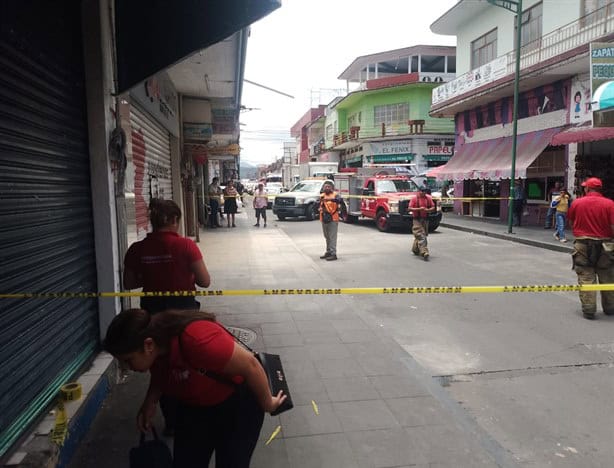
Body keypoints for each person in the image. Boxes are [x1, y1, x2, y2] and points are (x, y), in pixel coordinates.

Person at [103, 309, 286, 468]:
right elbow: (160, 374)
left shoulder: (197, 341)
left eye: (128, 360)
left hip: (237, 407)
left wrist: (269, 404)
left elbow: (251, 366)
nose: (127, 367)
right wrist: (150, 401)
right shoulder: (158, 349)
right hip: (196, 408)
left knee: (232, 463)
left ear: (148, 345)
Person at [123, 198, 211, 433]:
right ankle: (192, 414)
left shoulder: (137, 249)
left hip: (152, 314)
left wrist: (151, 276)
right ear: (174, 220)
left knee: (161, 365)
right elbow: (205, 281)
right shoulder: (186, 246)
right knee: (188, 361)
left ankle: (171, 420)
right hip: (184, 314)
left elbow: (128, 283)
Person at [567, 177, 614, 320]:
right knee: (607, 276)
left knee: (586, 276)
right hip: (606, 244)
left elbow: (571, 221)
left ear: (587, 188)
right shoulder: (610, 204)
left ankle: (589, 309)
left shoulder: (577, 203)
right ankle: (610, 307)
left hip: (582, 243)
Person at [319, 180, 344, 261]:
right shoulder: (322, 196)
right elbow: (318, 204)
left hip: (333, 218)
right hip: (324, 218)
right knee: (327, 236)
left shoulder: (335, 195)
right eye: (325, 187)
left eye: (329, 187)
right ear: (323, 188)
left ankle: (333, 253)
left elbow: (340, 200)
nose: (327, 188)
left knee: (332, 237)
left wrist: (331, 200)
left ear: (332, 188)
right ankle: (328, 251)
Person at [409, 188, 436, 261]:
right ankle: (424, 252)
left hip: (425, 219)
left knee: (421, 235)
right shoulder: (414, 198)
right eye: (422, 192)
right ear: (419, 191)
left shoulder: (428, 198)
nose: (423, 193)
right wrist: (419, 209)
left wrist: (428, 210)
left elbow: (433, 207)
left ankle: (415, 249)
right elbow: (409, 208)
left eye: (424, 192)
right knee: (421, 235)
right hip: (417, 219)